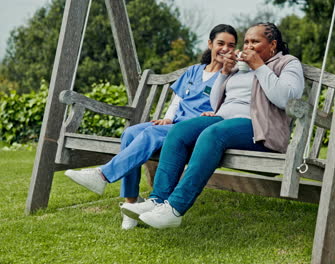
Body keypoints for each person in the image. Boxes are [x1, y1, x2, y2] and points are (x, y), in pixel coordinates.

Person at [120, 22, 305, 229]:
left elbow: (287, 99)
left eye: (255, 42)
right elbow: (217, 101)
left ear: (272, 45)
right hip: (224, 120)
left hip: (259, 128)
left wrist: (259, 67)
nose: (248, 46)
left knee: (212, 134)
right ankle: (158, 200)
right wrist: (225, 73)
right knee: (180, 130)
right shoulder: (241, 67)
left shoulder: (287, 63)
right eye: (246, 42)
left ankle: (175, 208)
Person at [64, 24, 238, 230]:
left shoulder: (231, 75)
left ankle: (102, 175)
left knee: (151, 133)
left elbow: (233, 104)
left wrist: (216, 114)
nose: (225, 48)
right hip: (174, 124)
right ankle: (131, 204)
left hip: (195, 131)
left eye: (231, 45)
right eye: (220, 43)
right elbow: (177, 99)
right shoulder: (193, 71)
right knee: (130, 133)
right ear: (210, 44)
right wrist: (168, 118)